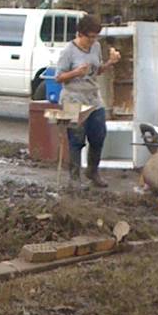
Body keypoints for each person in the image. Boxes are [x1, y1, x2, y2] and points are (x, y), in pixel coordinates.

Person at [55, 14, 121, 188]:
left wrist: (110, 63)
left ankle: (93, 170)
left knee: (98, 135)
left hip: (92, 96)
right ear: (80, 34)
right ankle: (74, 177)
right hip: (72, 98)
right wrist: (75, 72)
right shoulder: (68, 51)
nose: (92, 40)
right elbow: (58, 77)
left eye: (95, 37)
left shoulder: (96, 47)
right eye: (89, 37)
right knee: (76, 138)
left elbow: (96, 70)